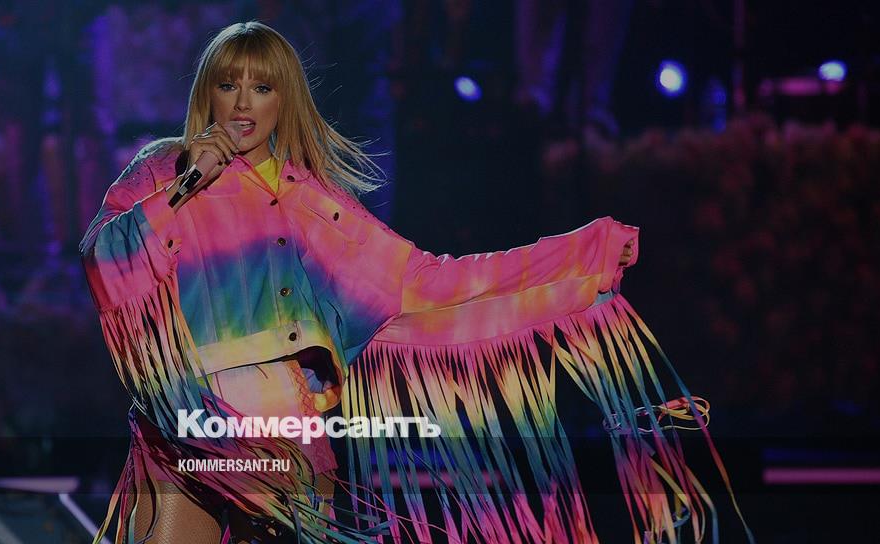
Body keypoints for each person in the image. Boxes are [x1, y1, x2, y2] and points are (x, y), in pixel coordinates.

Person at [81, 21, 752, 544]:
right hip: (184, 430)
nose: (243, 102)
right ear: (208, 92)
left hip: (282, 440)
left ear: (285, 101)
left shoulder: (313, 205)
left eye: (262, 87)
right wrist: (181, 189)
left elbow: (430, 283)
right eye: (229, 85)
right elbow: (103, 261)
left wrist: (575, 257)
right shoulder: (163, 169)